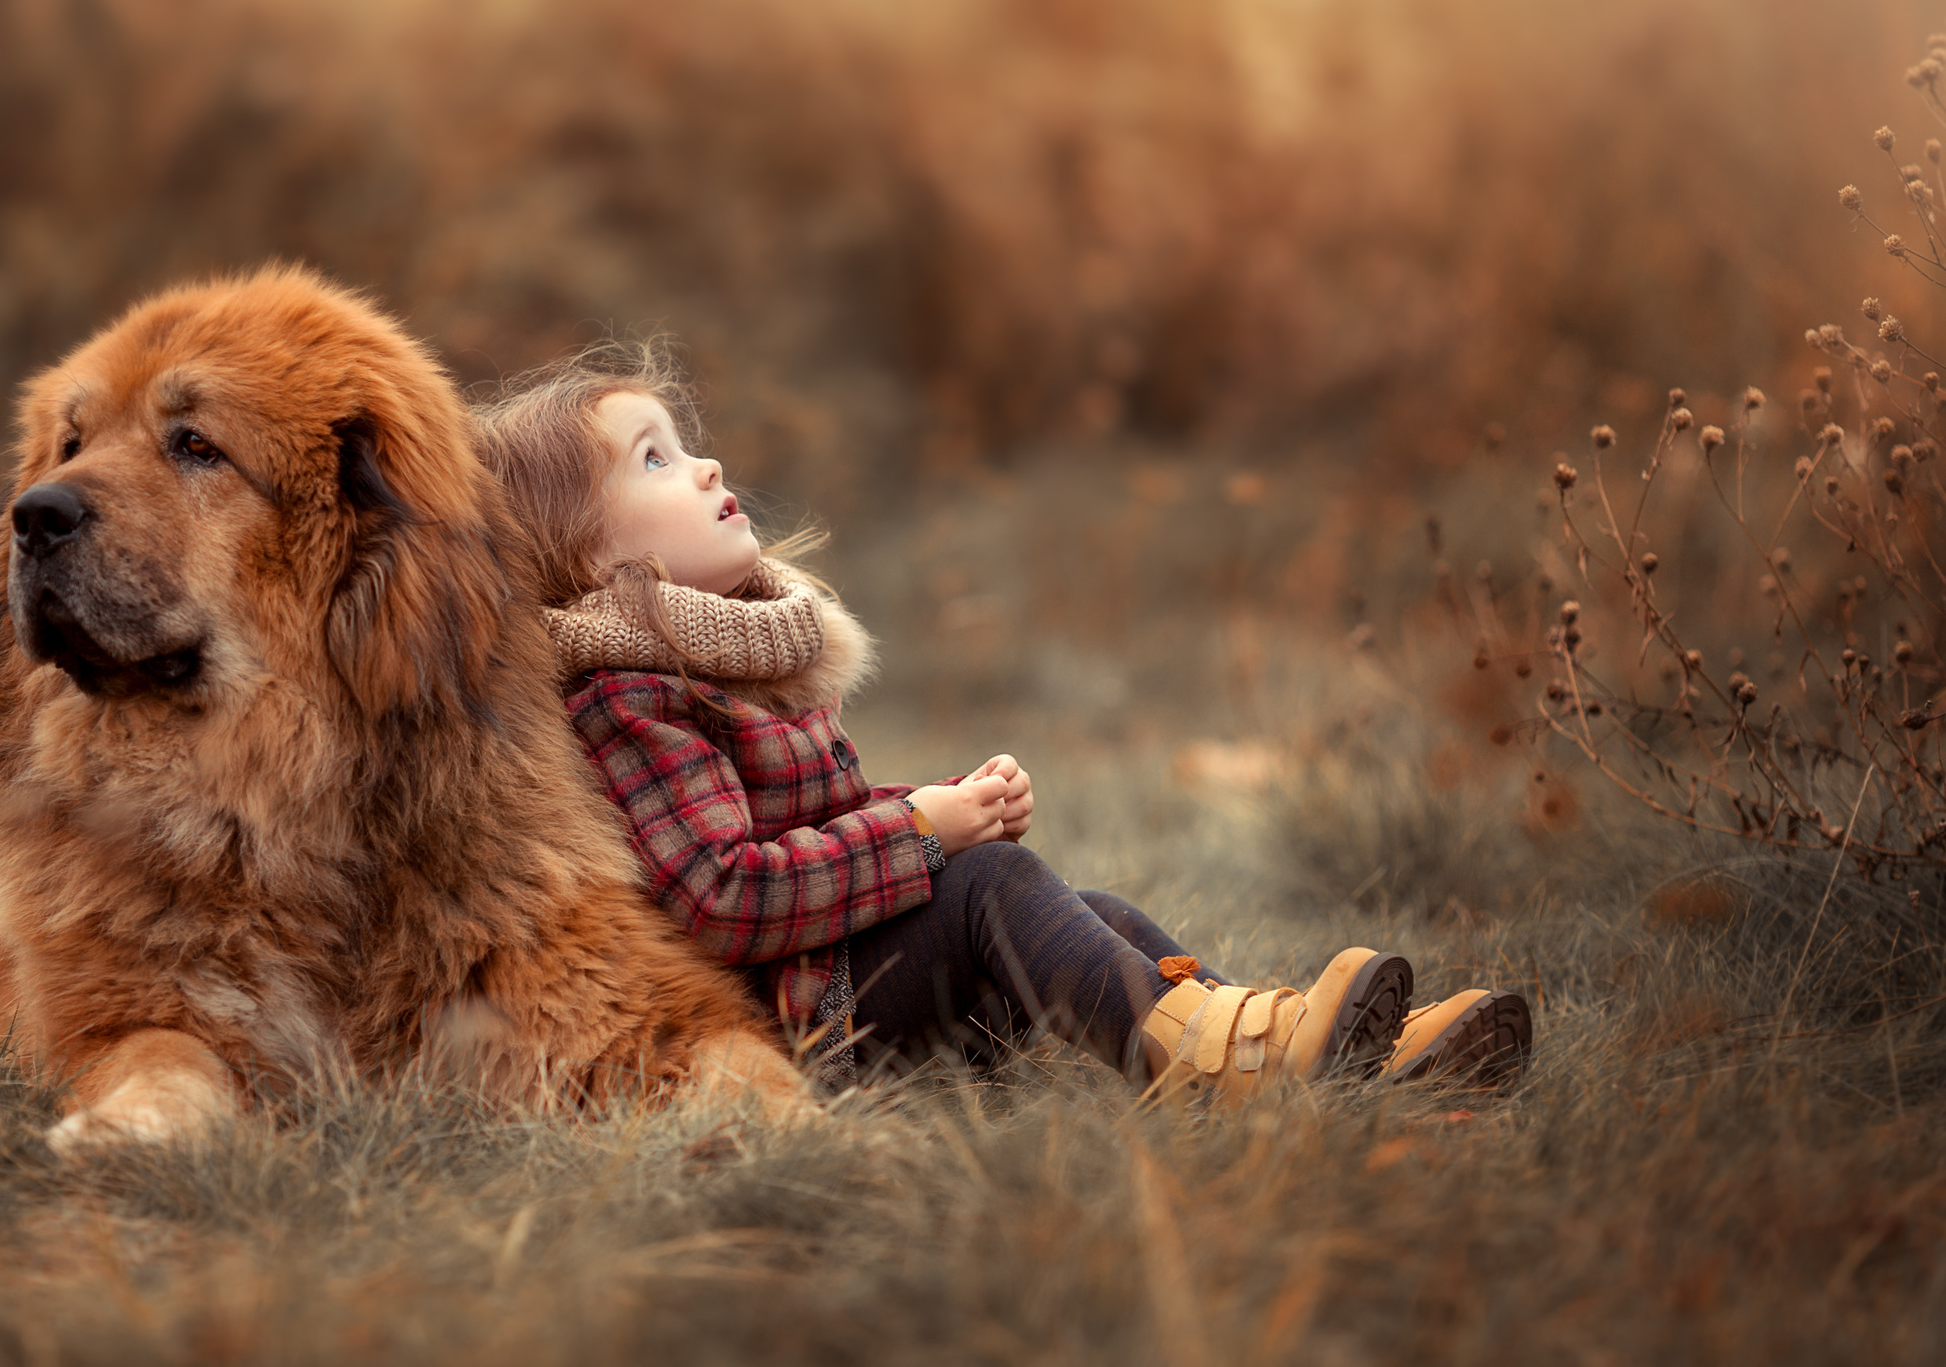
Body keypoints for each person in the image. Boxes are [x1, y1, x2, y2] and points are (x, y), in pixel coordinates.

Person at [473, 341, 1533, 1100]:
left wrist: (929, 808)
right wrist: (927, 833)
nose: (706, 466)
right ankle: (1232, 1063)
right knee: (991, 886)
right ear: (590, 560)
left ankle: (1298, 1040)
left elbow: (816, 822)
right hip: (799, 1024)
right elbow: (720, 898)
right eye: (653, 461)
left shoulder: (727, 660)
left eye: (683, 444)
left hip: (840, 979)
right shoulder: (630, 696)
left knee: (1094, 906)